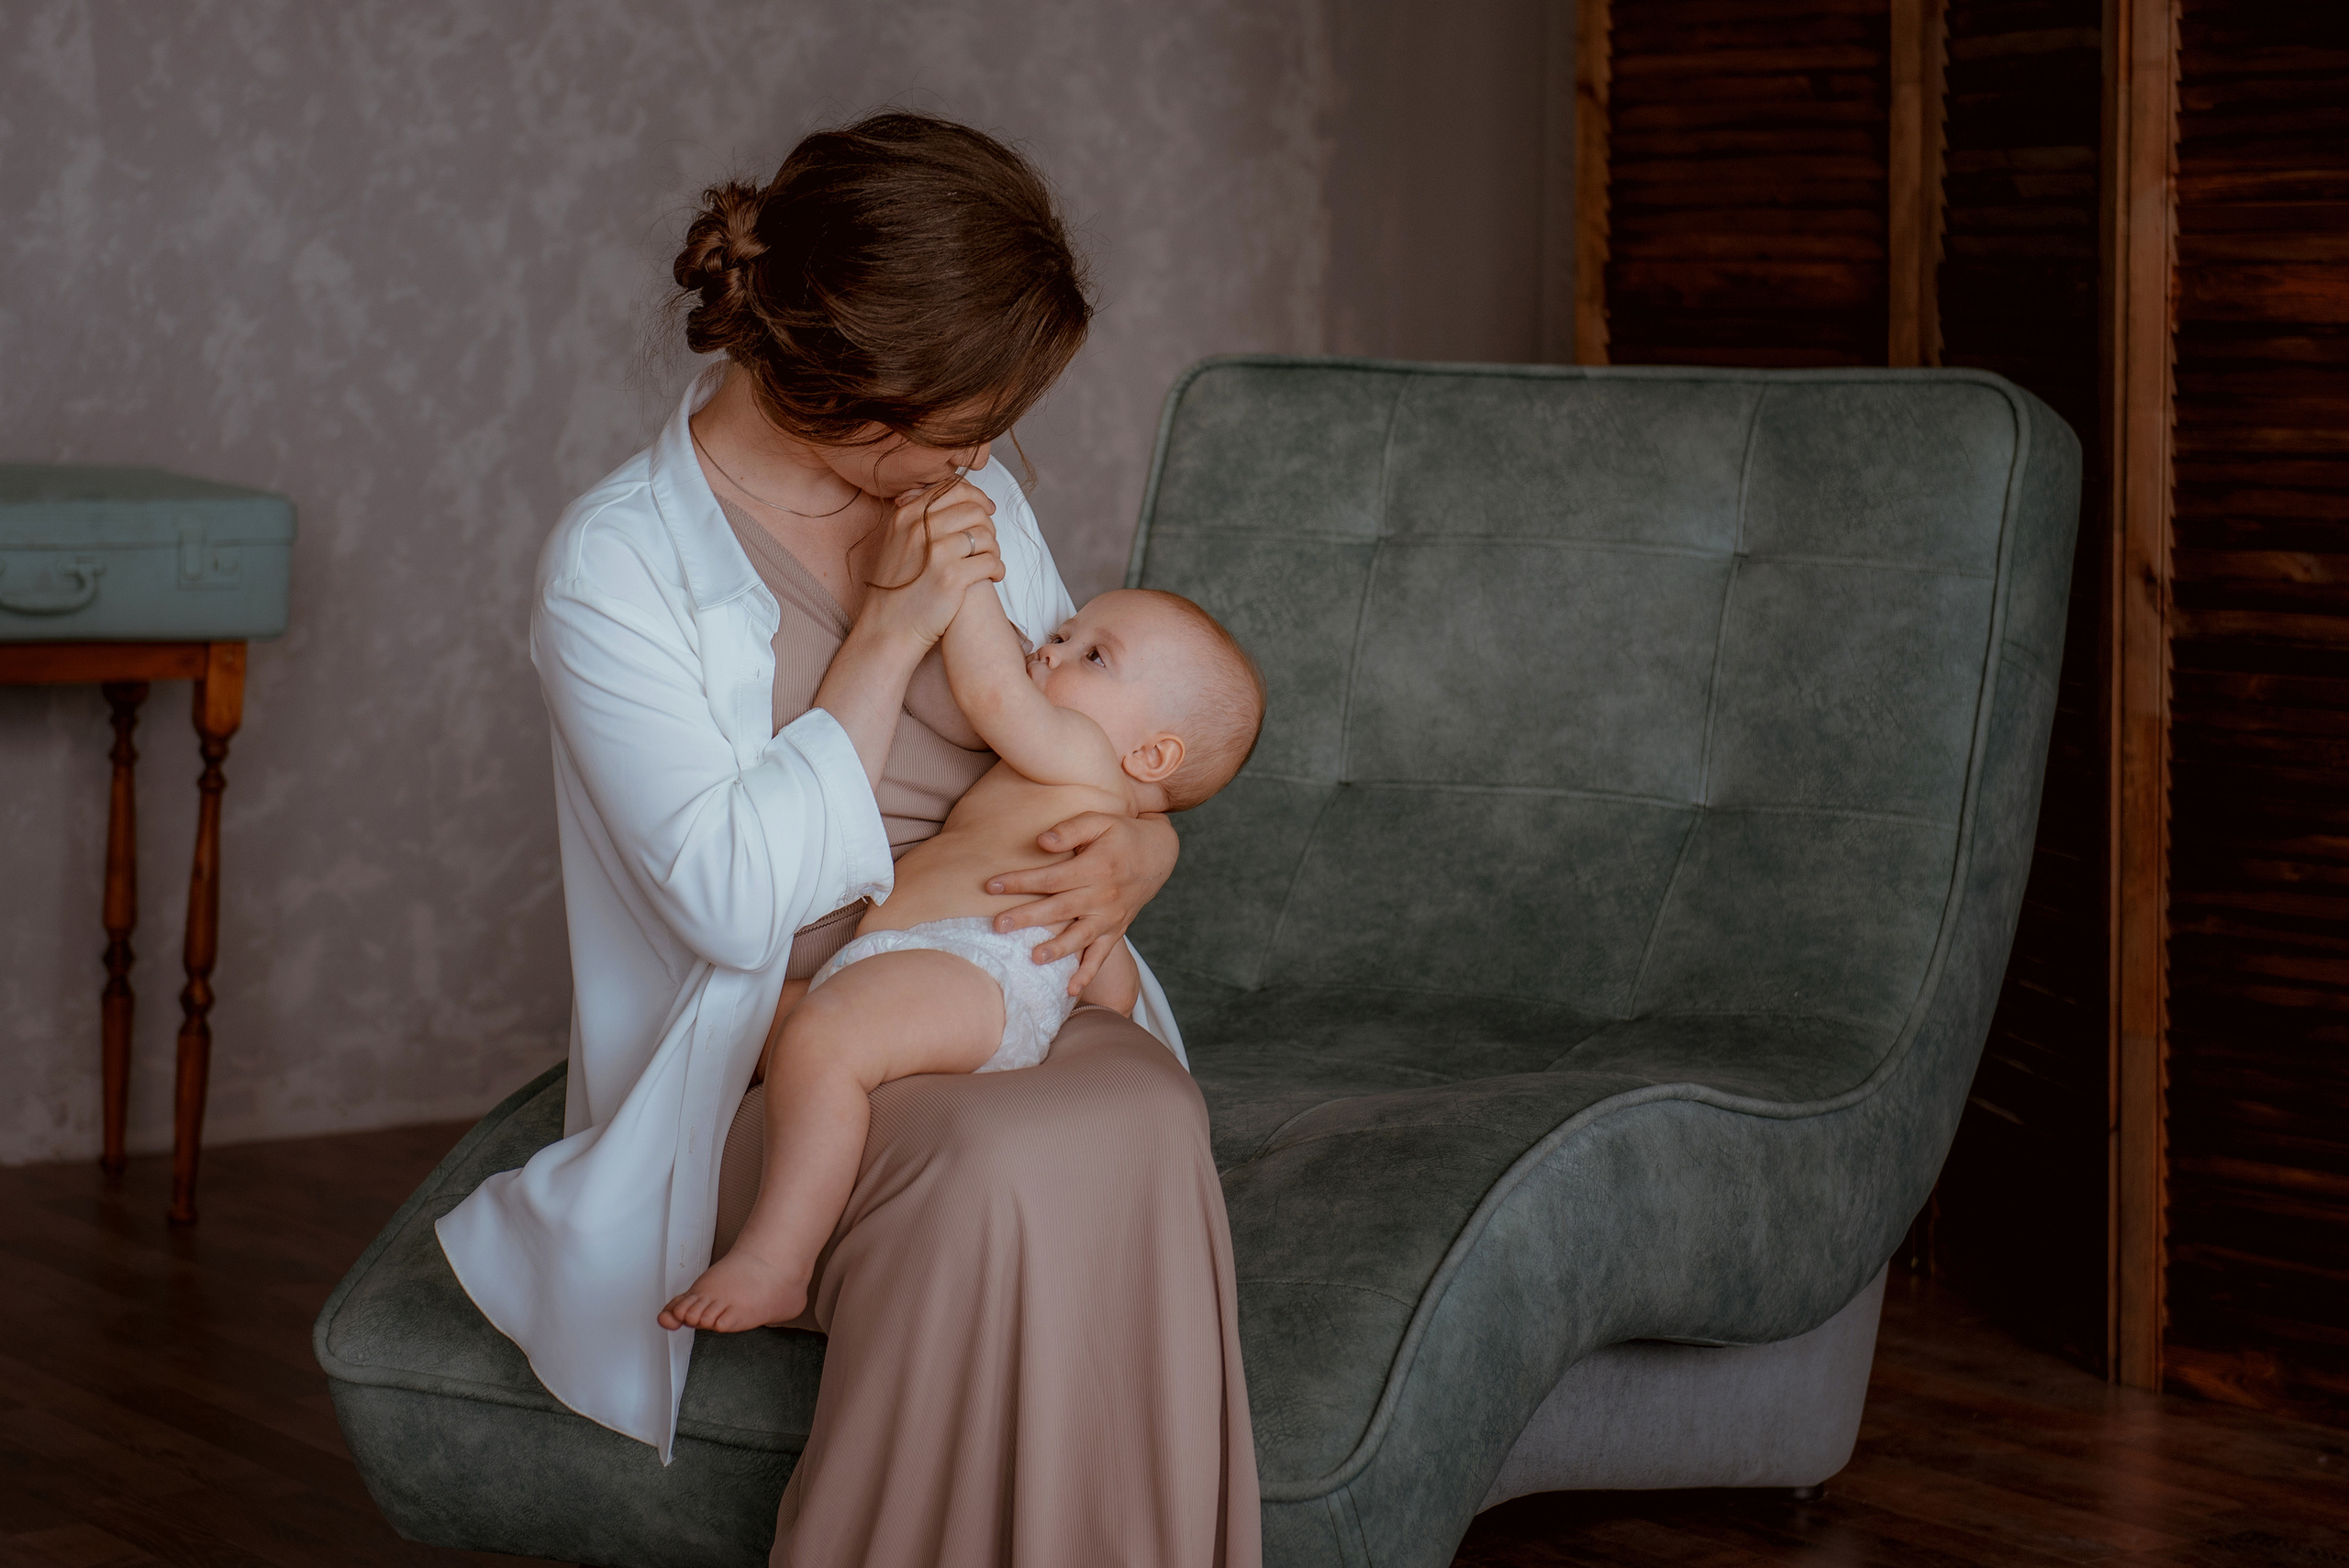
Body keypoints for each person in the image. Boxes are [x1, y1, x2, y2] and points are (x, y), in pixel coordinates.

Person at [435, 111, 1262, 1567]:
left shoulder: (963, 488)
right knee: (998, 1168)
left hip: (1000, 981)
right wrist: (879, 642)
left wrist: (1149, 854)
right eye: (967, 417)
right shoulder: (617, 565)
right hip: (779, 1049)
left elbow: (1082, 748)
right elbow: (734, 913)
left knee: (1146, 1114)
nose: (998, 453)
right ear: (847, 389)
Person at [661, 579, 1265, 1335]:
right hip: (936, 968)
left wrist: (966, 581)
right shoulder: (1076, 786)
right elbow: (1109, 983)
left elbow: (989, 690)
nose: (1051, 647)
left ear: (1150, 754)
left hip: (974, 962)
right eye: (1066, 631)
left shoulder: (1081, 756)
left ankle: (779, 1258)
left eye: (1094, 655)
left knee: (822, 1040)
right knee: (736, 1023)